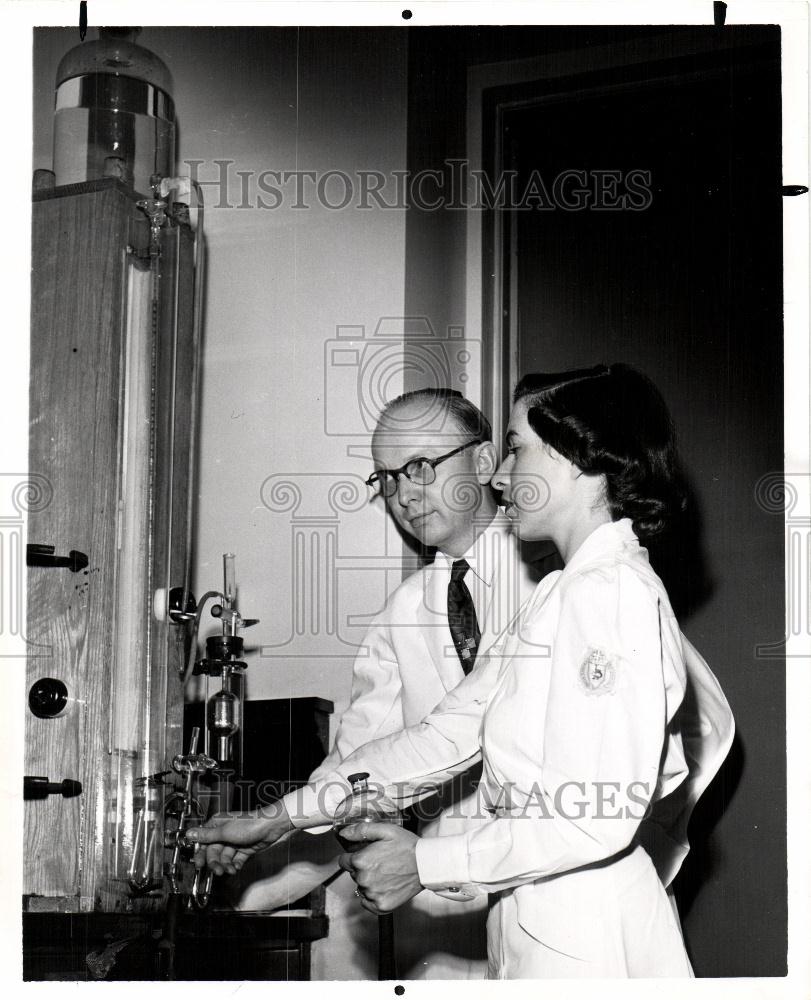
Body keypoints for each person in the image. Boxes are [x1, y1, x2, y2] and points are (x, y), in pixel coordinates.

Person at [190, 365, 734, 979]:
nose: (503, 475)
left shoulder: (607, 591)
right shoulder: (561, 591)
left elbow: (603, 813)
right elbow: (448, 734)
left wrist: (430, 863)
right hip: (530, 914)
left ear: (578, 456)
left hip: (585, 924)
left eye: (517, 448)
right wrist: (277, 818)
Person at [230, 388, 542, 979]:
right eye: (387, 478)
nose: (404, 494)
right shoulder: (402, 612)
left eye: (421, 467)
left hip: (561, 901)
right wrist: (250, 870)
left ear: (481, 461)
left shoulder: (558, 573)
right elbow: (352, 772)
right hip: (445, 920)